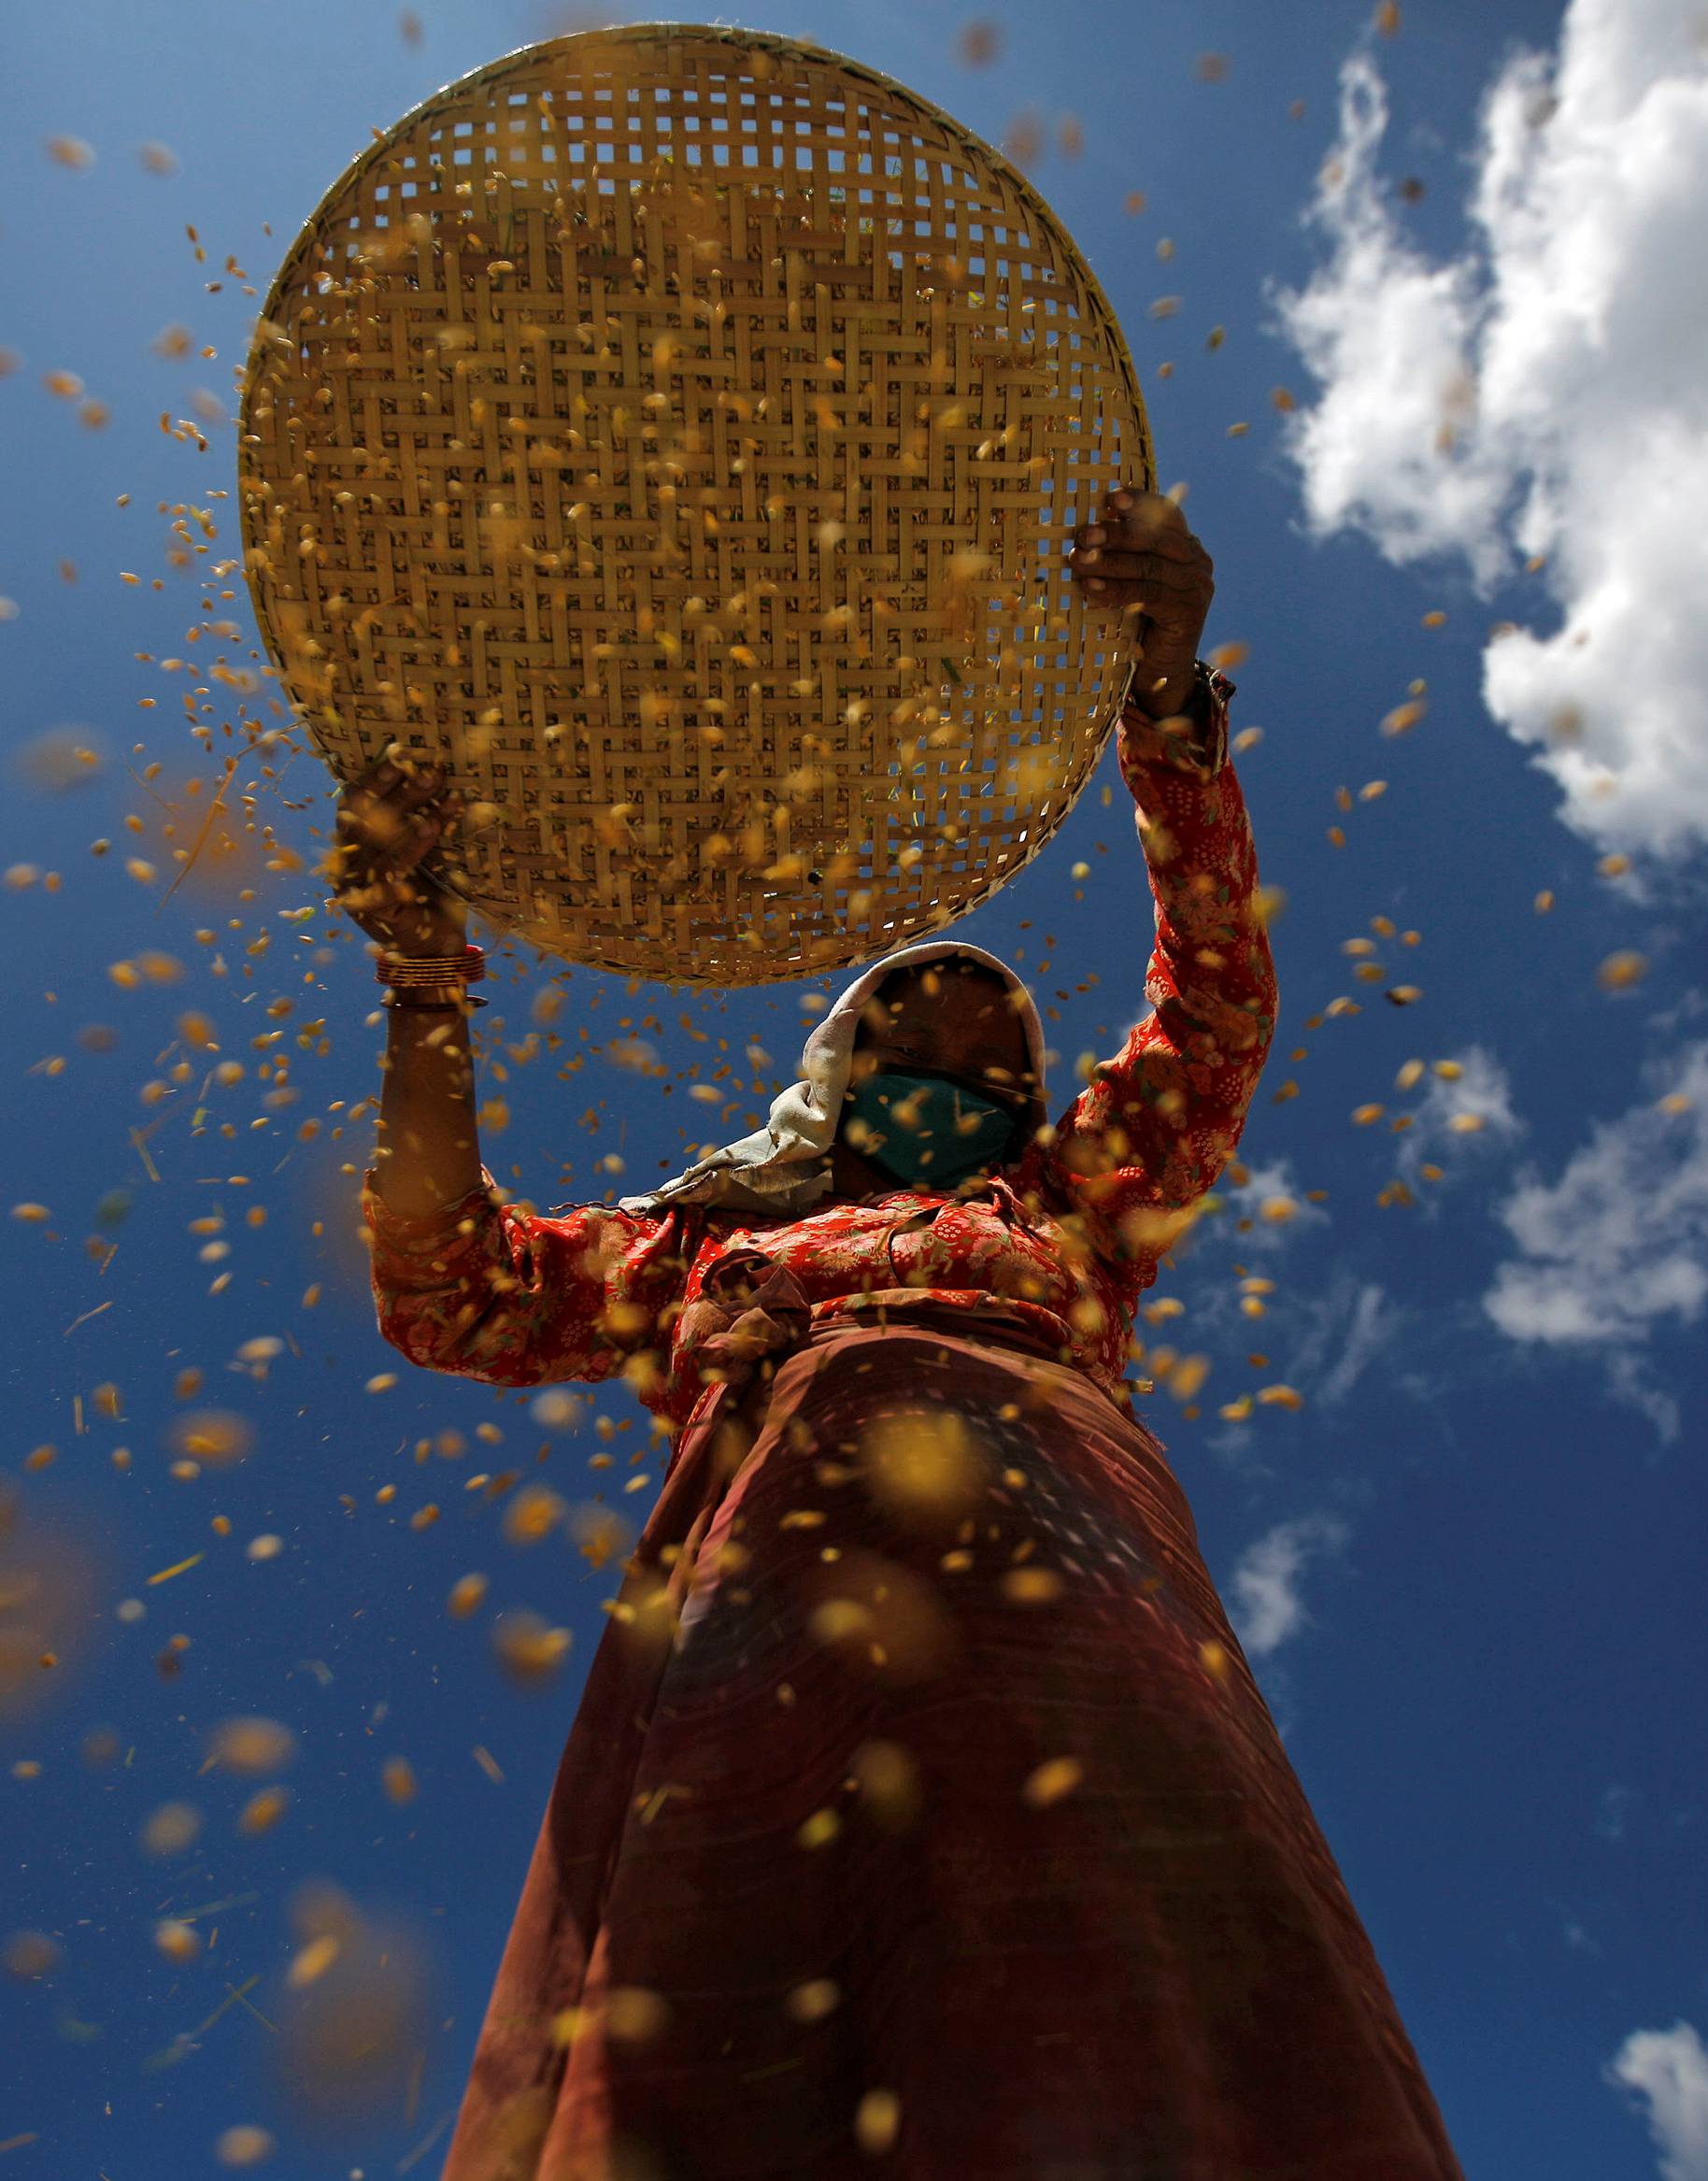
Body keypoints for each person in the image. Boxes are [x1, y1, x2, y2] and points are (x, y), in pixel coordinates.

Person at [334, 487, 1465, 2181]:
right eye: (911, 1050)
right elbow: (449, 1286)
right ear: (837, 1088)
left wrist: (1167, 702)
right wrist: (428, 993)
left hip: (1058, 1559)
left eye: (989, 1063)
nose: (958, 1081)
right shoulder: (710, 1243)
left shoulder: (1068, 1209)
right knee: (724, 1980)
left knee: (1117, 1911)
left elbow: (1214, 1007)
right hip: (755, 1588)